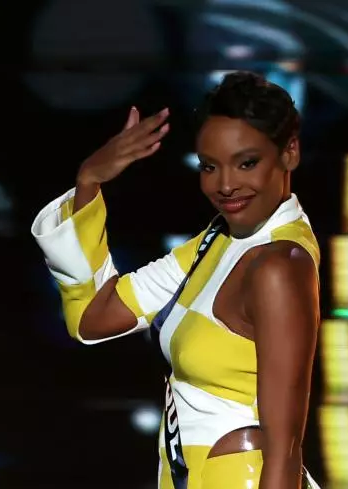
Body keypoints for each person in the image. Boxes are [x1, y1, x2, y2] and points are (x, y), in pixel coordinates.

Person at [31, 71, 321, 489]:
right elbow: (95, 316)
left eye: (247, 163)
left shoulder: (279, 266)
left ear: (289, 153)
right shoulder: (219, 240)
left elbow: (285, 448)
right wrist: (89, 181)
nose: (225, 184)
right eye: (209, 166)